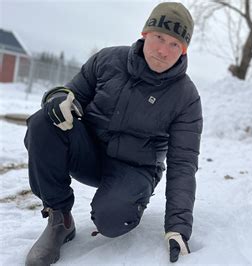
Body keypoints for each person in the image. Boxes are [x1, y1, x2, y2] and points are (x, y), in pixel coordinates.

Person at [24, 2, 202, 265]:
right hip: (90, 152)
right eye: (159, 38)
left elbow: (183, 165)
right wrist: (57, 97)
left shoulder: (186, 98)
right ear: (145, 34)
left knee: (112, 220)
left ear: (184, 50)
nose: (164, 51)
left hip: (135, 169)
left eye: (175, 44)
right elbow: (71, 94)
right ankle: (59, 217)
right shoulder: (108, 60)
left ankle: (125, 203)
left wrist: (178, 228)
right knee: (43, 123)